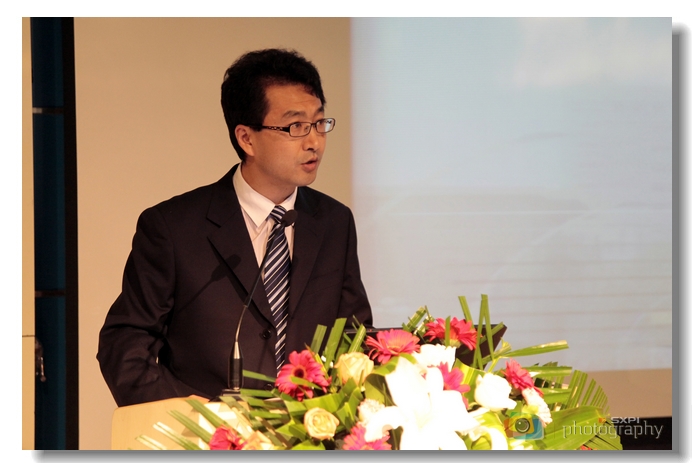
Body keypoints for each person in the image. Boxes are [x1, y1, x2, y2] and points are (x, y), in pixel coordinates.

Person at [97, 48, 372, 407]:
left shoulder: (334, 221)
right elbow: (125, 344)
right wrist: (193, 415)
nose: (314, 142)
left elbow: (354, 336)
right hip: (207, 432)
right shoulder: (173, 227)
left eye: (320, 123)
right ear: (246, 138)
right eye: (296, 127)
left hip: (307, 429)